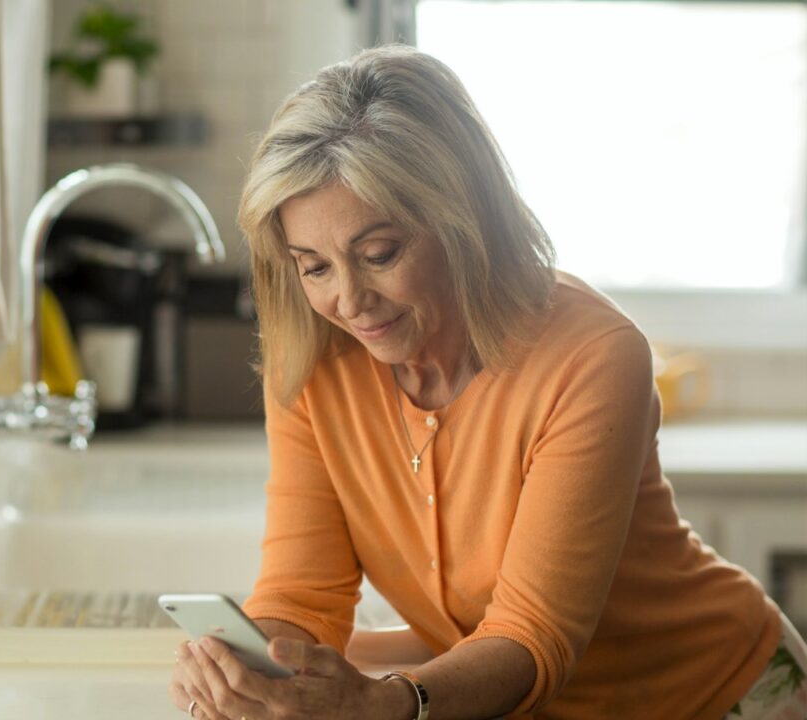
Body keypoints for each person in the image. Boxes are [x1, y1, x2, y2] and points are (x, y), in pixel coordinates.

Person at [168, 45, 807, 720]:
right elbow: (303, 596)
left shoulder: (589, 357)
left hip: (721, 693)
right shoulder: (314, 362)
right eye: (315, 267)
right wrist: (256, 672)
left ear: (460, 221)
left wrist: (383, 707)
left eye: (379, 254)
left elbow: (533, 637)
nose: (350, 301)